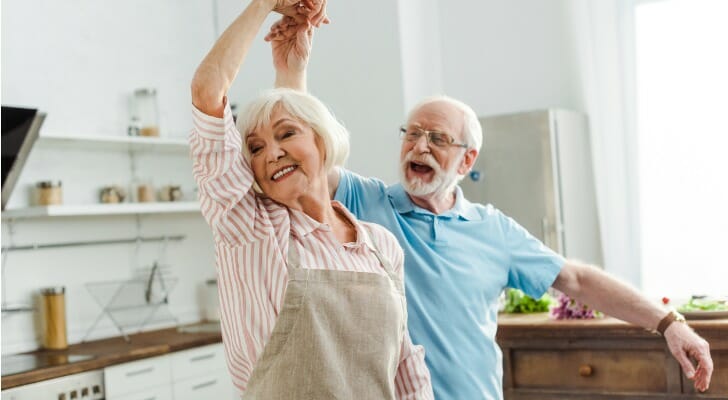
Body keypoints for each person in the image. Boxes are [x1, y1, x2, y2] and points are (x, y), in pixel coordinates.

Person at [265, 14, 714, 400]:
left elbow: (576, 278)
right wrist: (292, 70)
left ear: (467, 159)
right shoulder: (365, 201)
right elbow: (305, 163)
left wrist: (668, 321)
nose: (419, 146)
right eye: (412, 133)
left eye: (438, 138)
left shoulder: (492, 229)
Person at [189, 1, 434, 398]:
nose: (270, 153)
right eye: (254, 148)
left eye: (286, 135)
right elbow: (207, 91)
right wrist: (265, 3)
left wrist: (291, 70)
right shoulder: (252, 229)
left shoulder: (380, 246)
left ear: (323, 140)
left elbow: (404, 363)